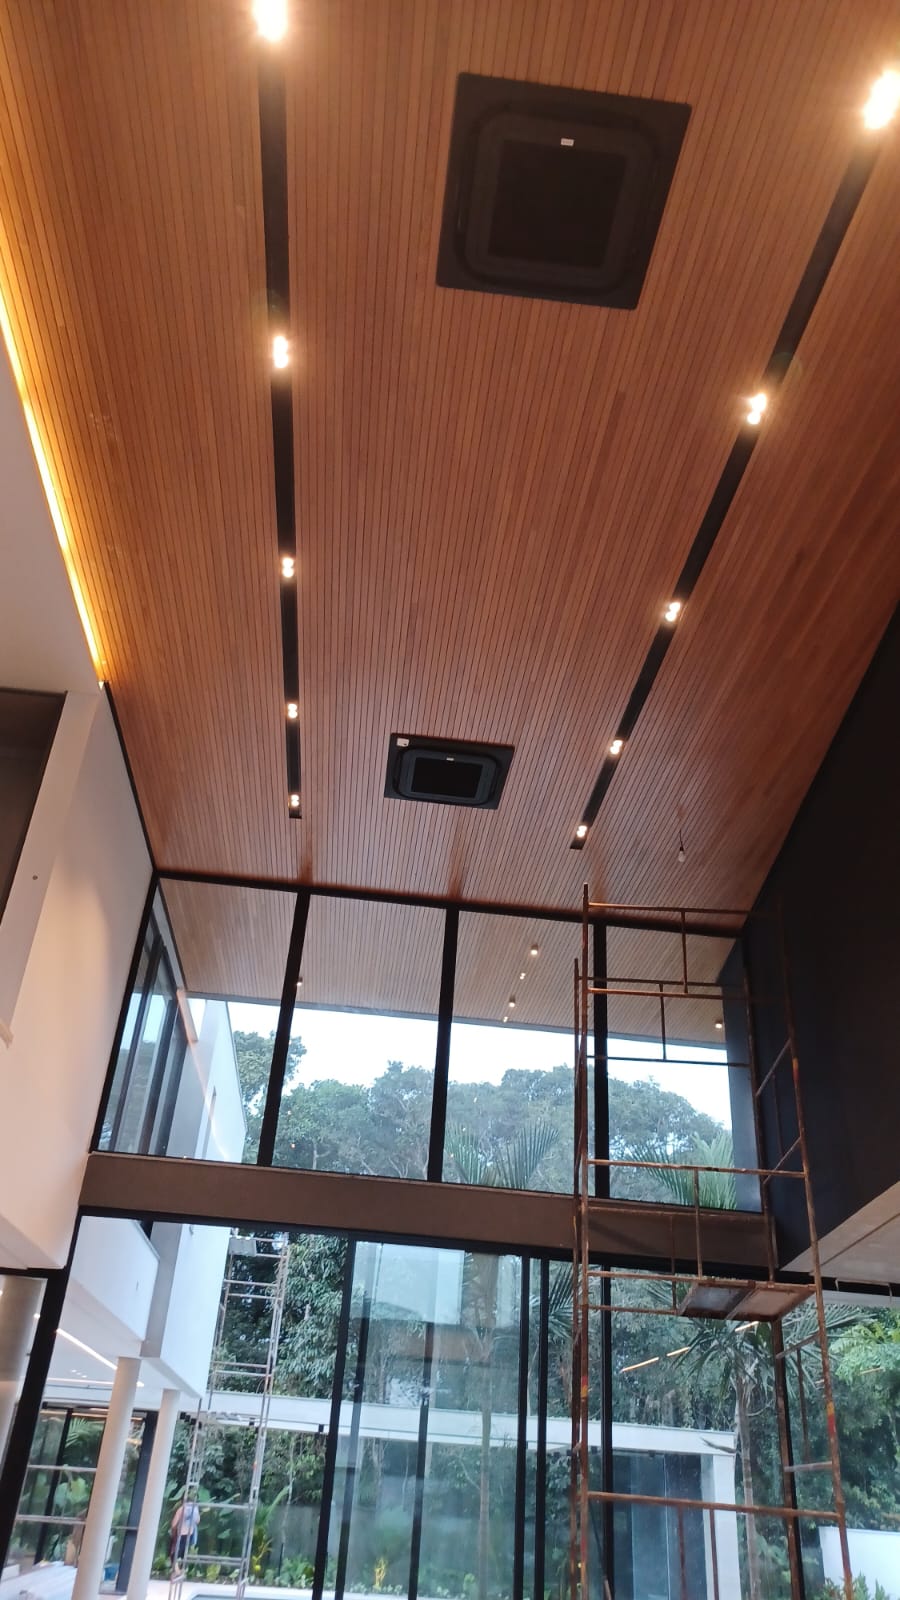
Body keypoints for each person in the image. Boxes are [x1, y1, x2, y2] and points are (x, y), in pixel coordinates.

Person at [169, 1499, 201, 1571]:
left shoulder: (181, 1509)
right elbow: (198, 1521)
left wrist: (173, 1532)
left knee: (175, 1553)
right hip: (190, 1534)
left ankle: (176, 1570)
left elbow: (174, 1524)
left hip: (181, 1533)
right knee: (184, 1552)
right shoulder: (195, 1509)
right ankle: (182, 1569)